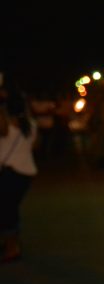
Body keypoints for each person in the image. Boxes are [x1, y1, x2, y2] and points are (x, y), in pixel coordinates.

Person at [0, 84, 35, 263]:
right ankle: (11, 243)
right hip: (26, 173)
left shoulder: (5, 123)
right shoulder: (31, 125)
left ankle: (12, 247)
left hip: (10, 172)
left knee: (6, 210)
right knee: (9, 208)